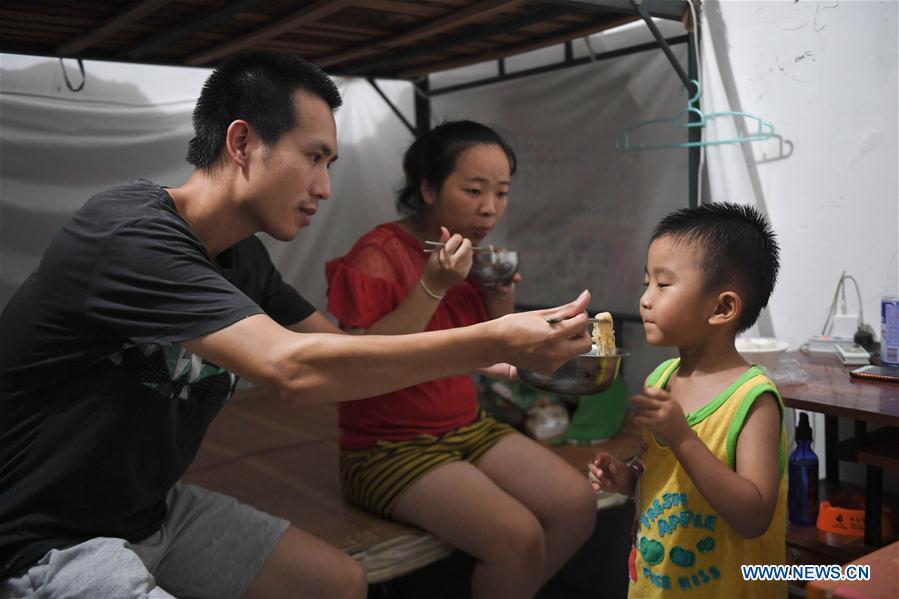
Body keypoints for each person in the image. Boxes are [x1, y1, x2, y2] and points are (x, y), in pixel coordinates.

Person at [0, 51, 594, 599]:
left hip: (150, 509)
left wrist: (480, 333)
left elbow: (341, 353)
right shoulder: (130, 234)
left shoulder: (246, 260)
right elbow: (290, 369)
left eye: (331, 163)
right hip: (41, 532)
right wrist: (488, 338)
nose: (326, 187)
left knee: (339, 583)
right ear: (242, 142)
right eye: (314, 157)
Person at [324, 121, 598, 598]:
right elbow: (360, 364)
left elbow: (493, 352)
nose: (490, 208)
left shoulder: (472, 258)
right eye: (473, 189)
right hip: (386, 447)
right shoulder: (378, 254)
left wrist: (498, 298)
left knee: (578, 504)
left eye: (501, 192)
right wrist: (434, 284)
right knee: (518, 537)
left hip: (466, 427)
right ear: (428, 188)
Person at [589, 203, 785, 598]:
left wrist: (682, 437)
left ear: (723, 307)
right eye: (647, 282)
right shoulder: (660, 380)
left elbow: (753, 517)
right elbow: (662, 481)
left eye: (663, 285)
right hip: (655, 585)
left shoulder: (753, 400)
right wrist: (627, 481)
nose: (645, 299)